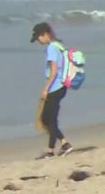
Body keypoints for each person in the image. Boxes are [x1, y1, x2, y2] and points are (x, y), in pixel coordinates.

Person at [31, 22, 74, 159]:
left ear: (44, 34)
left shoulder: (52, 48)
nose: (38, 41)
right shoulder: (59, 45)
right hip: (61, 86)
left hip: (55, 87)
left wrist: (46, 88)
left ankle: (50, 151)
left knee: (49, 119)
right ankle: (64, 143)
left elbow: (54, 71)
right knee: (48, 119)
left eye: (38, 37)